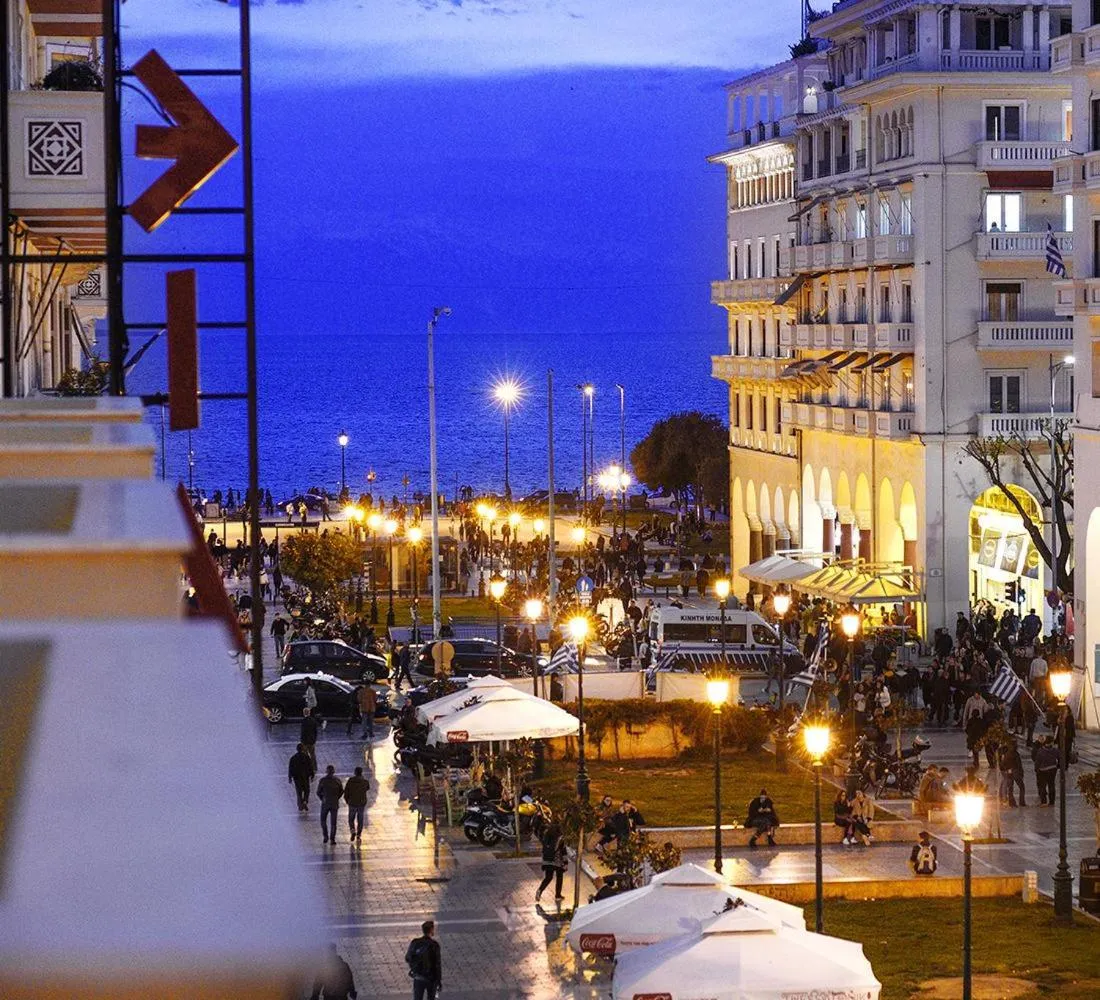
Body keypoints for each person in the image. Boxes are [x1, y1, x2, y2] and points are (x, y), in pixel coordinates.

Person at [405, 920, 442, 1000]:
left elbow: (408, 958)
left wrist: (414, 967)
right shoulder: (434, 945)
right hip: (431, 979)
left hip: (418, 977)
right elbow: (437, 964)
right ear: (431, 930)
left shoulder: (415, 942)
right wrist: (438, 981)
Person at [535, 821, 568, 902]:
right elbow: (563, 851)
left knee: (548, 877)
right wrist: (566, 863)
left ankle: (540, 890)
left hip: (547, 860)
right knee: (559, 877)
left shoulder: (546, 835)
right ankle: (558, 895)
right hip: (557, 861)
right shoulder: (560, 837)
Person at [317, 765, 345, 845]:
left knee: (323, 820)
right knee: (333, 823)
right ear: (333, 772)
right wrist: (336, 798)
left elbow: (318, 792)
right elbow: (341, 791)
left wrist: (322, 798)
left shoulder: (322, 781)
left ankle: (325, 836)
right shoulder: (337, 781)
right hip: (334, 803)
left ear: (326, 772)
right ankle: (332, 839)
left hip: (325, 803)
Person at [344, 766, 370, 842]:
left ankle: (352, 831)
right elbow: (367, 788)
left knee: (351, 819)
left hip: (352, 803)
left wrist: (347, 800)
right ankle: (358, 835)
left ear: (355, 772)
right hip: (361, 803)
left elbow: (346, 791)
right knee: (360, 819)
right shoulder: (365, 782)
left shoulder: (350, 781)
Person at [1032, 736, 1059, 806]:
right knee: (1051, 785)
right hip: (1053, 769)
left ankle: (1044, 802)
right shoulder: (1055, 750)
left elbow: (1037, 761)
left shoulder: (1041, 751)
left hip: (1043, 770)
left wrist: (1036, 769)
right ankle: (1052, 802)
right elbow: (1060, 757)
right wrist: (1057, 765)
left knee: (1042, 786)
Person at [288, 742, 315, 812]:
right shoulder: (306, 757)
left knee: (299, 792)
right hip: (305, 777)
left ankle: (300, 804)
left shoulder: (293, 758)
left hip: (297, 778)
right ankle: (305, 801)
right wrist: (312, 775)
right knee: (306, 790)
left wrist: (290, 777)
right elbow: (310, 766)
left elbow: (290, 768)